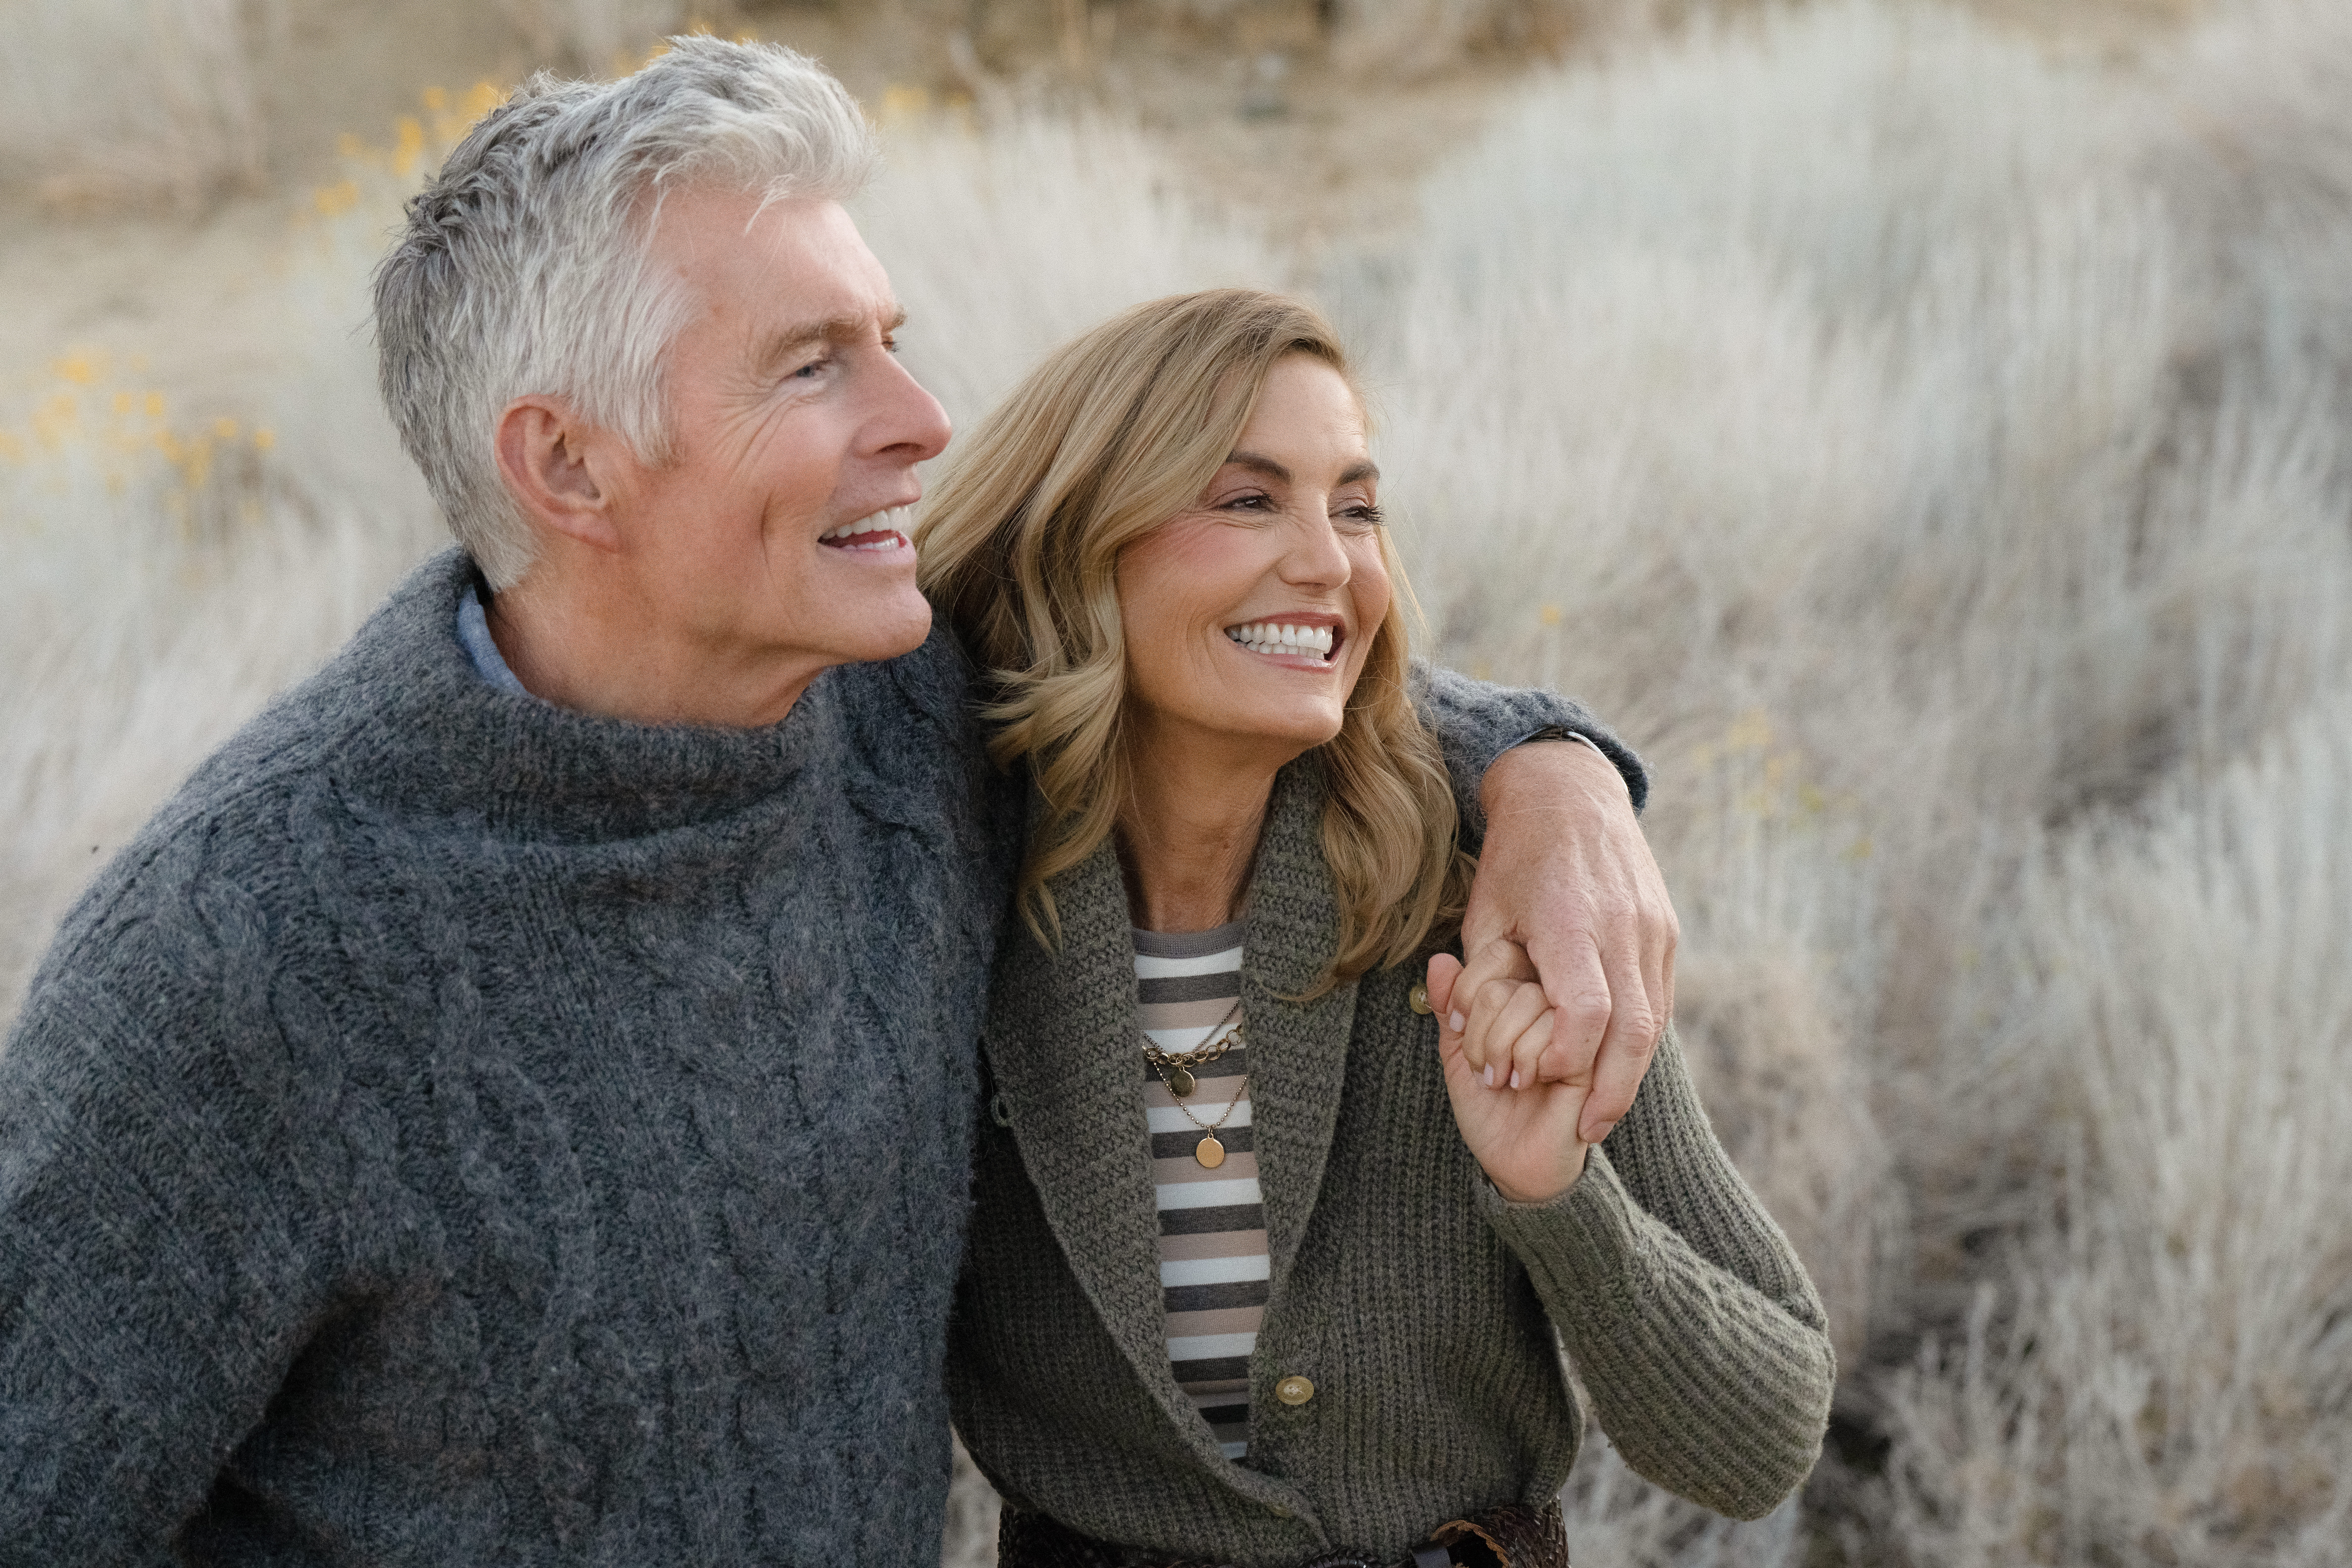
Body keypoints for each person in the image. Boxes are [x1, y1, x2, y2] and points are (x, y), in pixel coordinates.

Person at [0, 39, 1675, 1567]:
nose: (923, 420)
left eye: (893, 340)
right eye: (814, 368)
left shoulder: (899, 701)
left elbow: (1241, 653)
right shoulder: (243, 958)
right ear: (568, 466)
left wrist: (1551, 777)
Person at [918, 290, 1836, 1567]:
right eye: (1248, 501)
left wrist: (1556, 1197)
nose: (1330, 563)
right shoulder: (945, 903)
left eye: (1355, 506)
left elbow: (1763, 1435)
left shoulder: (1489, 898)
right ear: (1083, 539)